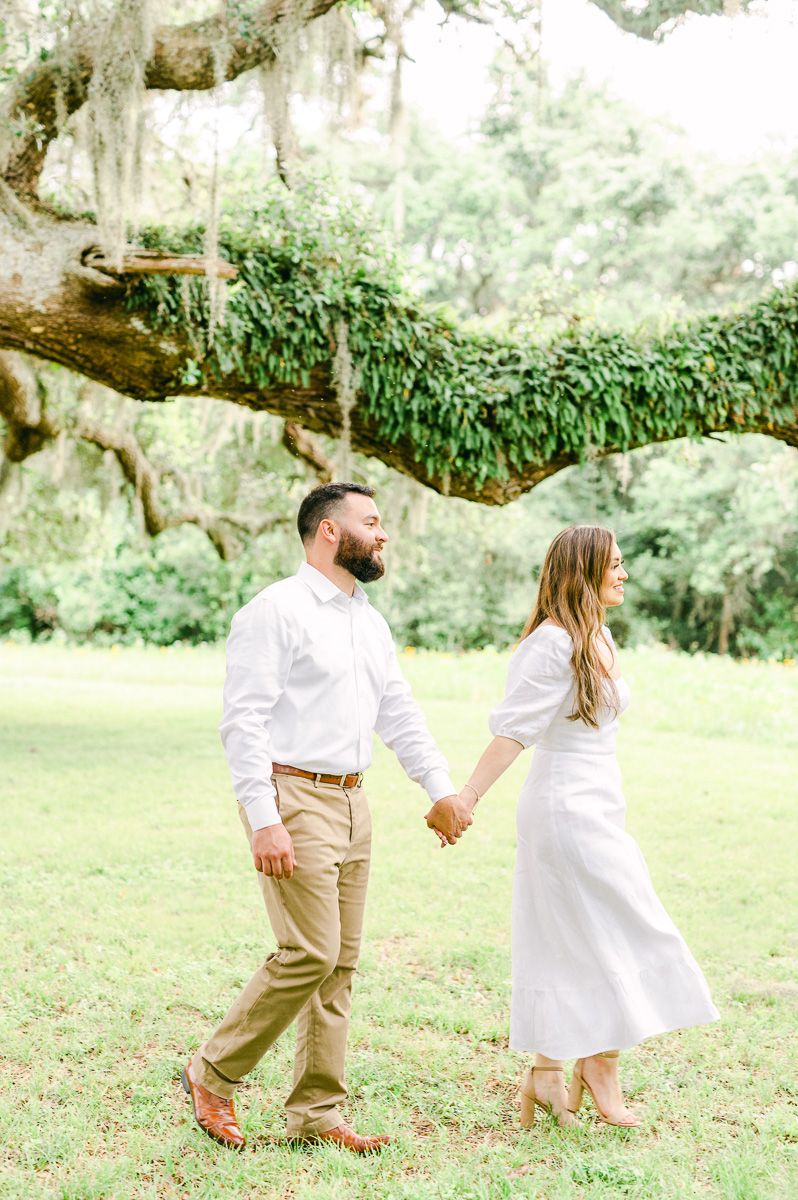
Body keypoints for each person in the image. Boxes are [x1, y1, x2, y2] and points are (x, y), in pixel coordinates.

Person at [182, 482, 466, 1152]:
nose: (384, 533)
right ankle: (213, 1070)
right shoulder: (273, 611)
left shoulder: (369, 620)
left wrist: (440, 788)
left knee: (339, 964)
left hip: (352, 799)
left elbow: (398, 712)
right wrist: (263, 816)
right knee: (308, 951)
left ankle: (316, 1112)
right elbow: (243, 720)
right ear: (331, 532)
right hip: (294, 794)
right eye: (372, 522)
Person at [432, 525, 719, 1128]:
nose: (623, 573)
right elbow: (514, 731)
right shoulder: (550, 644)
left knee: (572, 934)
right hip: (564, 806)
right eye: (613, 564)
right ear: (583, 570)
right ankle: (600, 1063)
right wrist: (467, 797)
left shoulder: (596, 635)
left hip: (597, 799)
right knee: (626, 923)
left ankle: (546, 1071)